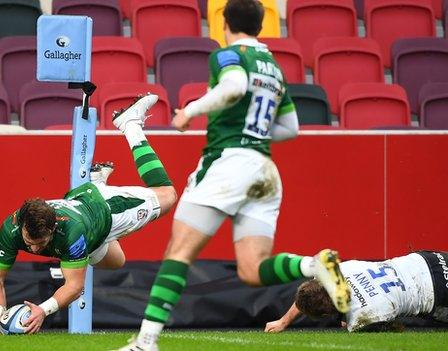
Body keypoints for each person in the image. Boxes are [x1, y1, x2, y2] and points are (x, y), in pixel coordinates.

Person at [118, 1, 350, 350]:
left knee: (178, 253)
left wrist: (190, 112)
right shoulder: (273, 66)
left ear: (223, 22)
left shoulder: (227, 55)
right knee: (252, 271)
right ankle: (314, 265)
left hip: (228, 164)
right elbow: (291, 128)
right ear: (261, 25)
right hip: (265, 170)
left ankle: (146, 342)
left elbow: (234, 87)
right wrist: (251, 134)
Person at [0, 94, 177, 334]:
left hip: (106, 210)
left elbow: (75, 287)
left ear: (53, 229)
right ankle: (97, 181)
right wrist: (0, 315)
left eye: (40, 243)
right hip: (82, 211)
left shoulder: (70, 232)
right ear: (21, 226)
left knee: (168, 195)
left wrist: (42, 310)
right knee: (118, 262)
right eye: (29, 242)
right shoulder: (11, 227)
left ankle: (130, 124)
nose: (35, 250)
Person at [265, 251, 448, 332]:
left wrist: (349, 319)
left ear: (327, 312)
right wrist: (283, 321)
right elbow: (313, 291)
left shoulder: (360, 319)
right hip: (426, 260)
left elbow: (395, 328)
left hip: (438, 293)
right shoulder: (338, 272)